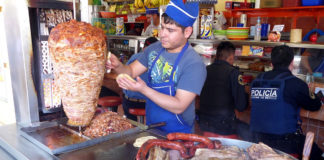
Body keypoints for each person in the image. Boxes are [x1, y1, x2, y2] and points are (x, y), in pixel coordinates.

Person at [107, 0, 206, 133]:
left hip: (179, 133)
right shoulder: (154, 50)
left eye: (170, 30)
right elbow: (130, 72)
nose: (162, 34)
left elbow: (179, 105)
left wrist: (144, 89)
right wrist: (117, 65)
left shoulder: (193, 63)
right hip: (153, 127)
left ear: (187, 32)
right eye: (162, 27)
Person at [250, 45, 323, 159]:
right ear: (292, 62)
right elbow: (315, 105)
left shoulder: (257, 80)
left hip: (255, 139)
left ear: (272, 62)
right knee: (316, 153)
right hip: (284, 143)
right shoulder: (295, 83)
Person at [199, 41, 250, 140]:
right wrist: (245, 92)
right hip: (225, 126)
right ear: (231, 57)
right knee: (249, 132)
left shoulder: (204, 70)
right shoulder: (234, 73)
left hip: (204, 124)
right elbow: (241, 106)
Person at [122, 37, 158, 121]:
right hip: (151, 103)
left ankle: (131, 128)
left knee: (125, 96)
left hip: (132, 102)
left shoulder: (136, 57)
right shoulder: (161, 60)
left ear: (144, 47)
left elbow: (125, 74)